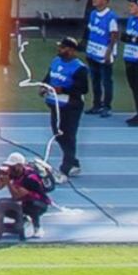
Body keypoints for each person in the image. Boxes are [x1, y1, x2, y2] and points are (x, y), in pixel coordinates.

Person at [39, 37, 88, 178]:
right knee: (58, 133)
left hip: (71, 106)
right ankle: (73, 161)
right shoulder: (55, 61)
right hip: (56, 104)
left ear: (71, 50)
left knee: (69, 136)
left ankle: (65, 169)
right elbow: (49, 77)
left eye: (63, 47)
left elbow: (83, 89)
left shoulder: (80, 68)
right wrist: (43, 86)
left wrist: (63, 90)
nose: (59, 49)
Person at [0, 152, 52, 239]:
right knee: (3, 208)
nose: (10, 168)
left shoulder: (29, 178)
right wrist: (1, 177)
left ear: (20, 166)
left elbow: (16, 196)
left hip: (39, 203)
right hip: (24, 201)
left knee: (32, 205)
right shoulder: (14, 173)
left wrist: (8, 183)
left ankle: (37, 228)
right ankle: (24, 219)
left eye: (12, 166)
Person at [83, 0, 117, 117]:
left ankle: (107, 106)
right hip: (93, 52)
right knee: (95, 80)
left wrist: (109, 53)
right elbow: (91, 32)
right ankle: (96, 104)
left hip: (104, 54)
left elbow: (114, 35)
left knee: (106, 81)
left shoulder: (111, 16)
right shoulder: (92, 14)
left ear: (105, 0)